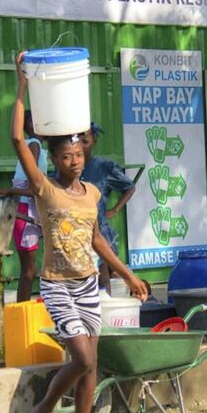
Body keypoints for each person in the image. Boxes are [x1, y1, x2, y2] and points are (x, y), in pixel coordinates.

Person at [13, 51, 147, 413]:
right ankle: (43, 410)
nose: (74, 162)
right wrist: (22, 82)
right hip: (57, 286)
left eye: (79, 156)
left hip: (88, 283)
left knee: (89, 366)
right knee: (83, 356)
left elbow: (97, 242)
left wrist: (127, 275)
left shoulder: (90, 193)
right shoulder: (45, 189)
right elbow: (18, 139)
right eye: (66, 157)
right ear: (52, 160)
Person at [0, 109, 47, 302]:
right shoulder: (34, 145)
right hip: (26, 211)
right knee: (29, 271)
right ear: (33, 125)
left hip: (27, 210)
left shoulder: (35, 146)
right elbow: (35, 187)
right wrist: (11, 191)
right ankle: (22, 310)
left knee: (29, 270)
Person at [79, 122, 137, 292]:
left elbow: (130, 187)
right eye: (77, 140)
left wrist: (115, 209)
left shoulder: (104, 167)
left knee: (104, 276)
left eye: (85, 140)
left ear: (94, 141)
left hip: (99, 231)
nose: (81, 146)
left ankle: (112, 311)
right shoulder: (69, 166)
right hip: (78, 232)